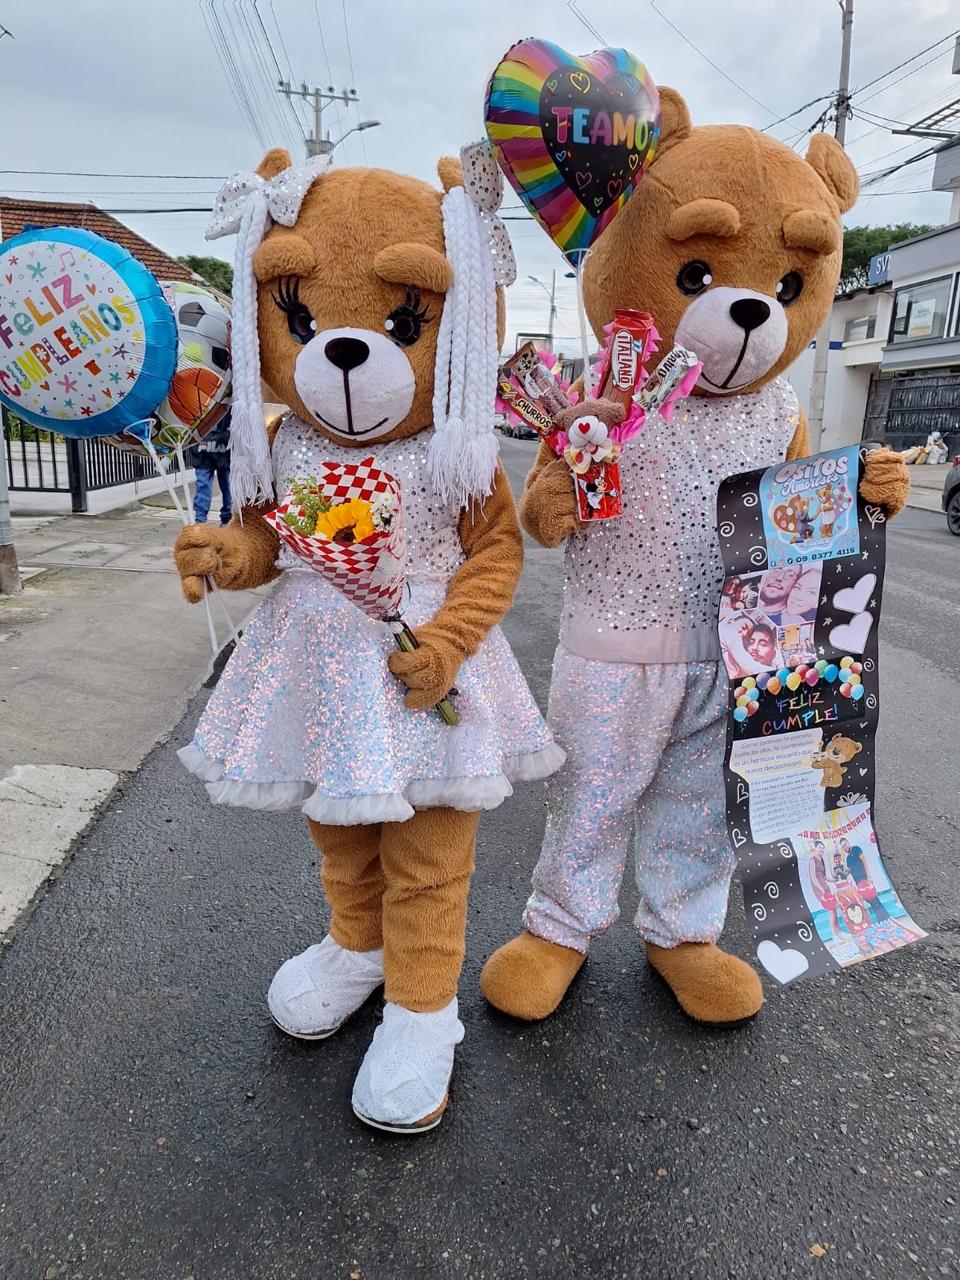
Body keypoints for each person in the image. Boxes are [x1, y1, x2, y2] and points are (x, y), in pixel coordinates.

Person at [188, 408, 232, 526]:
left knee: (224, 484)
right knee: (223, 484)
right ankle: (203, 519)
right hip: (213, 447)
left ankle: (206, 519)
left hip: (213, 445)